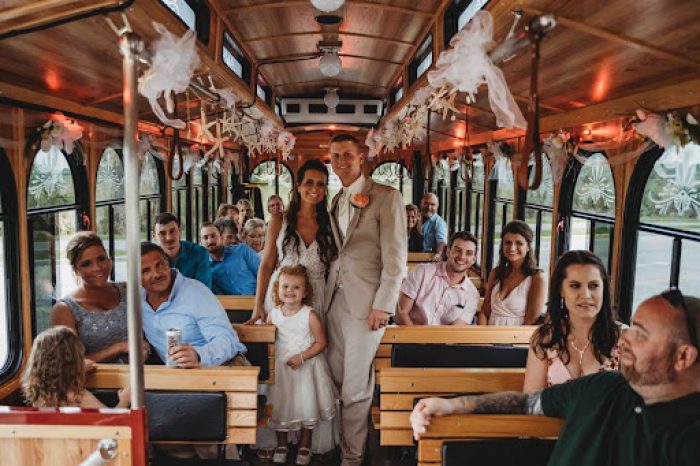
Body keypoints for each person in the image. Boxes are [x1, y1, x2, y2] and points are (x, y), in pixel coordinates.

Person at [411, 290, 700, 465]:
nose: (624, 337)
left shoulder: (687, 438)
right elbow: (527, 404)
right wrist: (451, 405)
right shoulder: (603, 388)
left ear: (683, 357)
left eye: (640, 333)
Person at [324, 133, 407, 465]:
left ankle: (352, 458)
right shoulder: (336, 200)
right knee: (336, 378)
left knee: (356, 388)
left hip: (367, 307)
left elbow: (396, 259)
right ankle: (335, 445)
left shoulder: (387, 197)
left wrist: (383, 306)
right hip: (334, 301)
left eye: (347, 155)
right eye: (335, 156)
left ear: (362, 158)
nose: (341, 161)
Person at [250, 159, 337, 323]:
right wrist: (258, 304)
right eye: (309, 182)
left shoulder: (331, 224)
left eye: (321, 184)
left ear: (326, 189)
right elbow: (267, 264)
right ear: (298, 185)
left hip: (315, 297)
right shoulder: (279, 220)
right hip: (281, 295)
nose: (314, 189)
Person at [523, 250, 624, 392]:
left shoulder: (625, 340)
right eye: (575, 286)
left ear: (604, 289)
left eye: (593, 286)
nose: (586, 295)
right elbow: (532, 401)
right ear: (561, 290)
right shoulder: (544, 339)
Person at [266, 266, 336, 466]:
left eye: (296, 287)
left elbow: (321, 343)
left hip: (306, 367)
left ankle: (305, 444)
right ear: (278, 289)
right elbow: (269, 339)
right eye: (285, 286)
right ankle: (281, 443)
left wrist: (302, 357)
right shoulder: (274, 314)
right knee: (280, 403)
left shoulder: (309, 315)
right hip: (281, 368)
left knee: (306, 403)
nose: (290, 291)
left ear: (305, 292)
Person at [140, 242, 248, 368]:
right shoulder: (135, 300)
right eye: (146, 271)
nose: (156, 274)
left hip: (218, 371)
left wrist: (199, 355)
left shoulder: (196, 293)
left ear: (168, 263)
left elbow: (229, 341)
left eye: (160, 265)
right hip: (175, 378)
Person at [51, 231, 148, 363]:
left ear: (109, 259)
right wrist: (119, 348)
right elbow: (70, 363)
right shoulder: (65, 309)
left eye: (101, 259)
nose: (97, 268)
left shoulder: (127, 289)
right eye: (86, 264)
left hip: (145, 373)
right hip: (101, 381)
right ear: (75, 270)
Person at [21, 326, 130, 408]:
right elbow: (111, 420)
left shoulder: (40, 393)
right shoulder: (77, 397)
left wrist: (78, 369)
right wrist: (124, 401)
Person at [396, 231, 480, 326]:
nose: (462, 256)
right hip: (408, 336)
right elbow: (402, 312)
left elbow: (455, 331)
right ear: (448, 252)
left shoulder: (472, 295)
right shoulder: (422, 272)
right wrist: (416, 339)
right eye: (457, 250)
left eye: (469, 253)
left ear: (473, 259)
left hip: (444, 340)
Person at [478, 220, 546, 326]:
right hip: (488, 336)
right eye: (507, 243)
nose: (512, 248)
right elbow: (484, 312)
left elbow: (530, 322)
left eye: (519, 243)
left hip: (516, 338)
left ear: (528, 247)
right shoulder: (496, 273)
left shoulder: (537, 278)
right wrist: (481, 339)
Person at [152, 212, 212, 289]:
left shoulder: (199, 253)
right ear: (154, 236)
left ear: (179, 231)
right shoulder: (151, 259)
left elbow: (203, 290)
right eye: (162, 233)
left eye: (172, 231)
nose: (169, 238)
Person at [200, 222, 260, 295]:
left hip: (256, 300)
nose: (210, 241)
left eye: (213, 236)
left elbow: (262, 273)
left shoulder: (242, 250)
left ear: (221, 238)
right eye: (205, 238)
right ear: (201, 242)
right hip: (229, 304)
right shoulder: (205, 269)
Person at [420, 193, 447, 261]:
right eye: (426, 203)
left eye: (432, 204)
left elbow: (442, 242)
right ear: (421, 203)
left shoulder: (439, 223)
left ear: (437, 206)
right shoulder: (413, 218)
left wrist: (438, 254)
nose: (429, 207)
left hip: (428, 259)